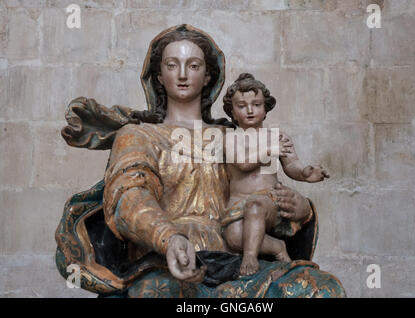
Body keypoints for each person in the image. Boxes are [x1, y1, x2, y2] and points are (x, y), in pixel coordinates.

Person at [55, 24, 346, 298]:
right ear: (158, 75)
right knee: (158, 293)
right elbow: (127, 198)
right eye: (172, 65)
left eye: (193, 65)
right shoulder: (138, 136)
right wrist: (168, 238)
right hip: (164, 262)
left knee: (321, 289)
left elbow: (266, 192)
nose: (183, 74)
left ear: (208, 76)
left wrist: (300, 209)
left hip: (237, 263)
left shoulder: (235, 137)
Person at [221, 73, 330, 276]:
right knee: (235, 238)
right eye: (242, 106)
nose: (250, 110)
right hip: (238, 202)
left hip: (267, 200)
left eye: (257, 104)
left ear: (266, 109)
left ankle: (250, 259)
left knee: (255, 207)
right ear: (232, 112)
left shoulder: (277, 137)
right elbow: (244, 163)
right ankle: (277, 247)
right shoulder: (231, 139)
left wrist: (306, 173)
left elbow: (292, 165)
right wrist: (269, 149)